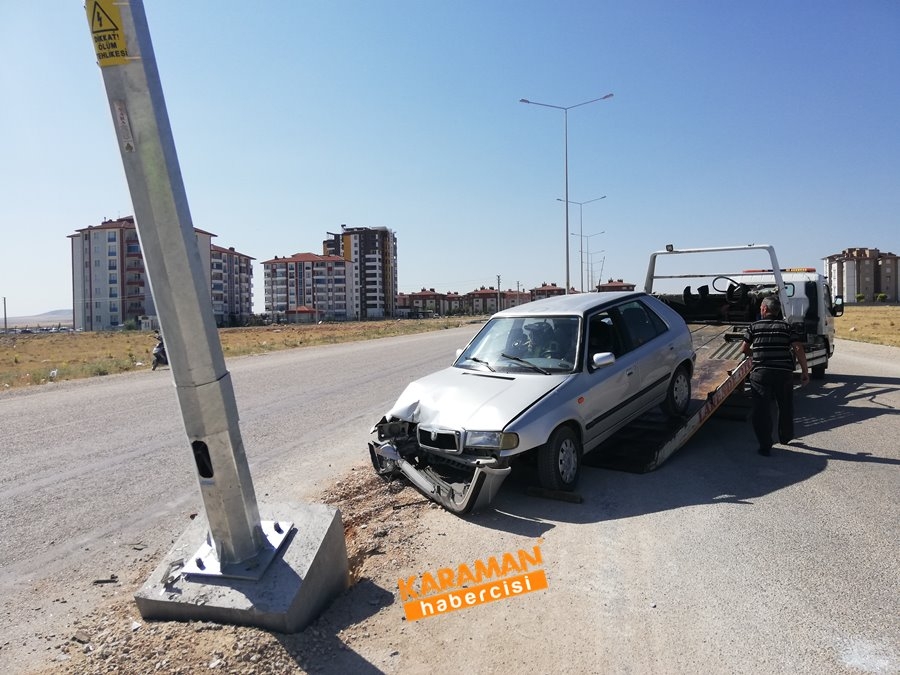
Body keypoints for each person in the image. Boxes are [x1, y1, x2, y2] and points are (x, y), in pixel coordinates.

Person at [741, 296, 809, 456]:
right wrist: (805, 372)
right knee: (785, 406)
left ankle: (765, 445)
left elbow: (744, 349)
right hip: (783, 373)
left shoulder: (753, 326)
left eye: (760, 308)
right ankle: (785, 437)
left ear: (764, 309)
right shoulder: (787, 327)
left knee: (761, 410)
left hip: (761, 374)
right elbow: (798, 348)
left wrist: (758, 354)